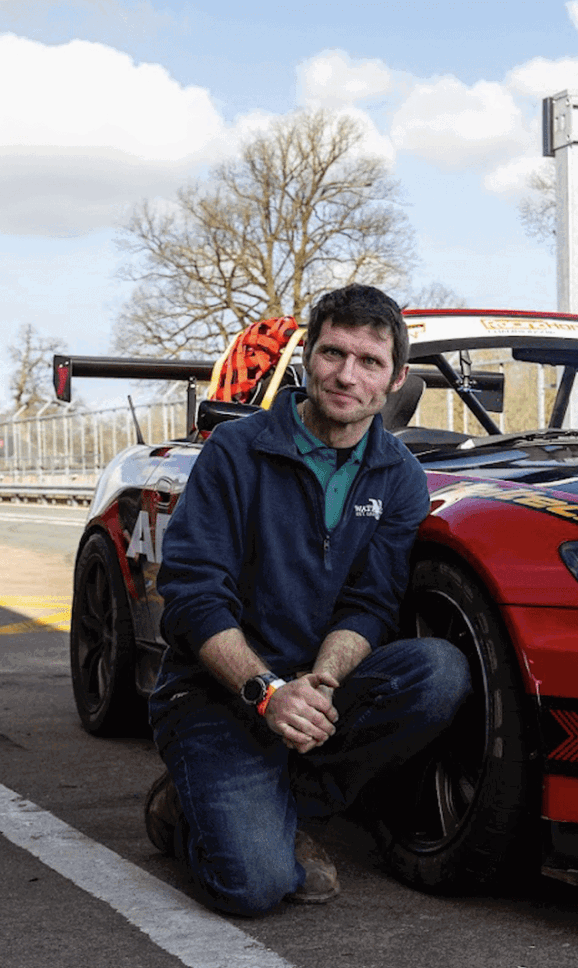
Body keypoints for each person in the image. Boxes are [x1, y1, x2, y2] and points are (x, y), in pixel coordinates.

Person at [144, 283, 470, 917]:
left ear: (395, 378)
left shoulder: (400, 475)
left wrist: (321, 682)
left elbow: (370, 603)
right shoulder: (236, 452)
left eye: (369, 362)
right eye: (332, 353)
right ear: (307, 359)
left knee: (438, 672)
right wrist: (266, 691)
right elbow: (191, 595)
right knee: (257, 888)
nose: (346, 375)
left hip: (312, 687)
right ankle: (182, 807)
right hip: (217, 692)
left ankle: (284, 804)